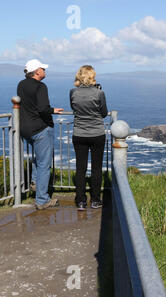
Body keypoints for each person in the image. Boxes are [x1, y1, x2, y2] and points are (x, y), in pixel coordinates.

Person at [17, 59, 64, 210]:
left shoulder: (21, 84)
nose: (45, 71)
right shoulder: (41, 86)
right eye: (43, 68)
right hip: (40, 128)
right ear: (37, 71)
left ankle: (35, 183)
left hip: (25, 129)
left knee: (39, 158)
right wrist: (53, 110)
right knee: (44, 163)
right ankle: (42, 200)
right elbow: (43, 108)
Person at [70, 65, 108, 210]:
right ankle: (96, 200)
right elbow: (104, 113)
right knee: (96, 168)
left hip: (79, 134)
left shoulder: (73, 92)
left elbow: (74, 109)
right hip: (97, 133)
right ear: (92, 77)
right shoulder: (99, 93)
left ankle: (80, 201)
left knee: (81, 168)